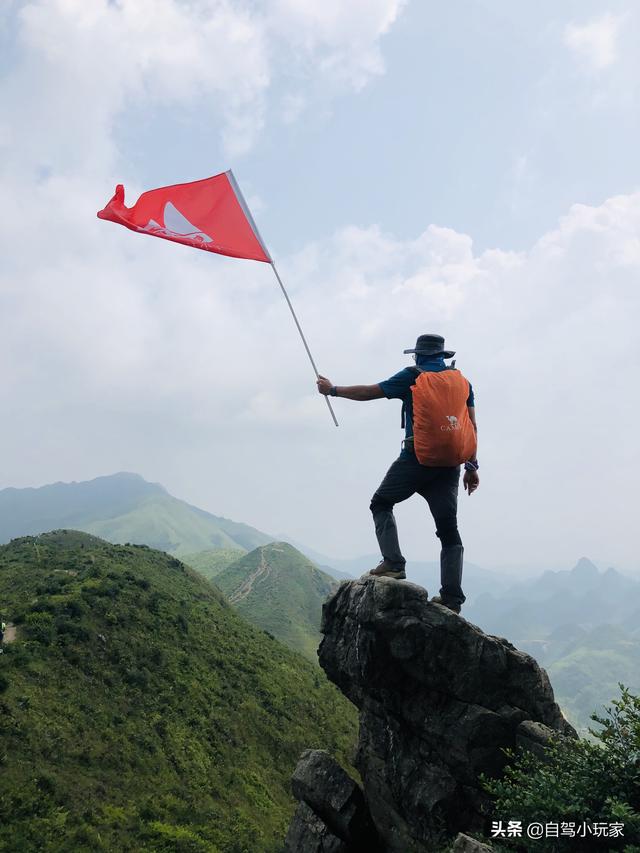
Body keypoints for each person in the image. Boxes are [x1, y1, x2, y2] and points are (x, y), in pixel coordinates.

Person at [317, 333, 479, 614]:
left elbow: (371, 391)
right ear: (444, 355)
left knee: (381, 502)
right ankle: (451, 598)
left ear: (417, 355)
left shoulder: (412, 376)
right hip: (449, 466)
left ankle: (393, 563)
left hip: (415, 459)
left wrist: (333, 390)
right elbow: (471, 426)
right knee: (449, 531)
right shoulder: (463, 382)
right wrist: (472, 466)